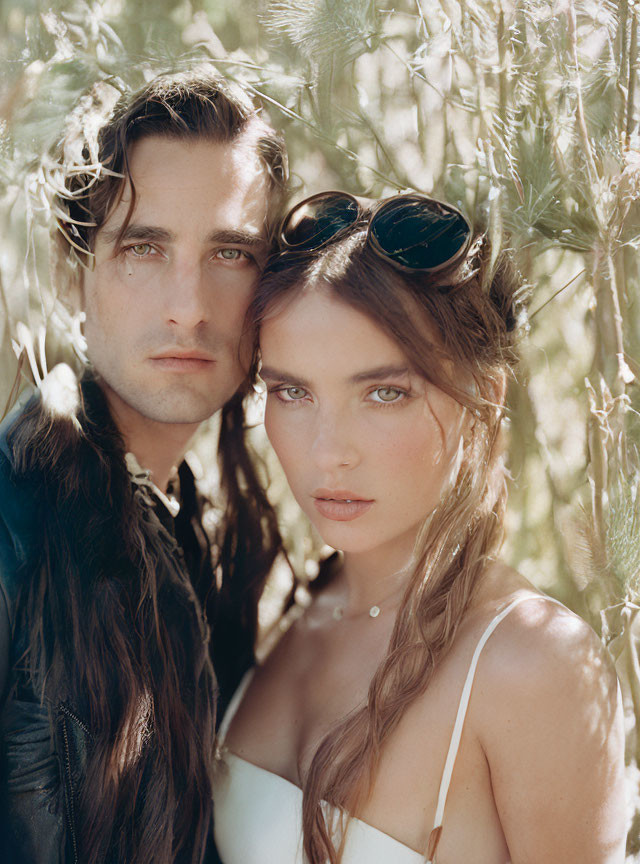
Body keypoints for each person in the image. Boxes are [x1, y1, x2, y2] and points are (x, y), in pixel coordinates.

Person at [213, 192, 627, 863]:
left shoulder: (533, 667)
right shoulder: (282, 614)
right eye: (293, 391)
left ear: (485, 398)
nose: (328, 451)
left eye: (384, 393)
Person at [0, 68, 287, 863]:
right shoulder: (14, 517)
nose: (188, 304)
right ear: (72, 275)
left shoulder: (197, 533)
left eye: (230, 252)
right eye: (143, 247)